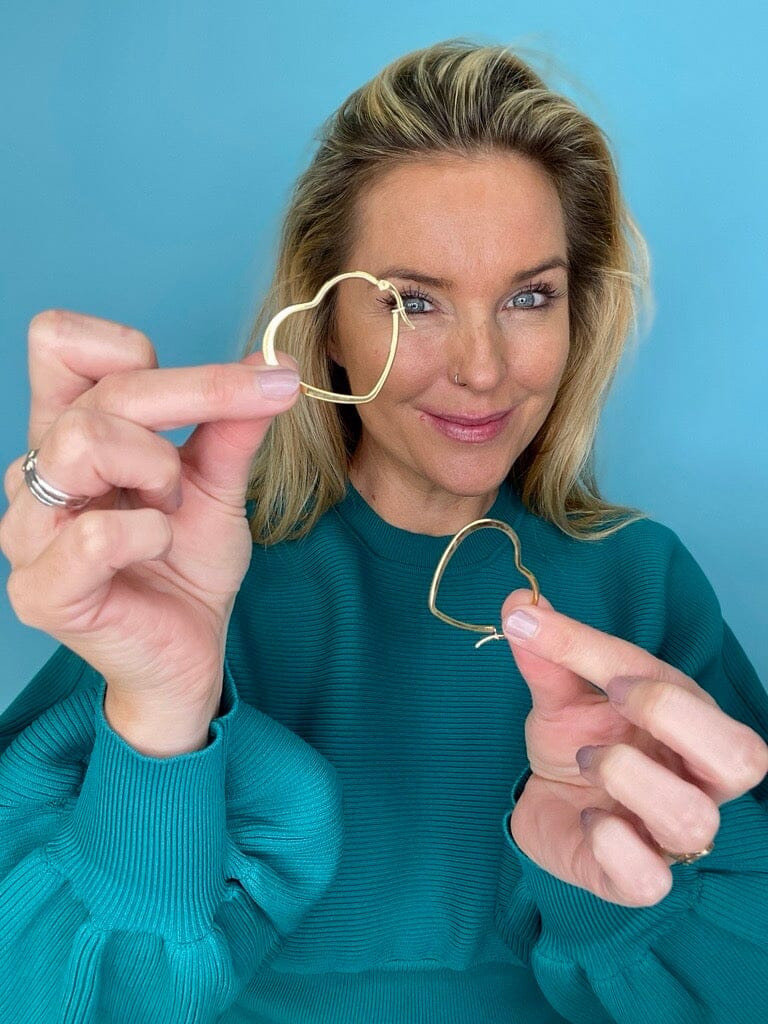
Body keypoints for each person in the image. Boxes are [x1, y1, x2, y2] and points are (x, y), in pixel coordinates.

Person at [1, 39, 766, 1024]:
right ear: (325, 323)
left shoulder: (642, 584)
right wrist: (161, 719)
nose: (482, 370)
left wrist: (630, 893)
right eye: (414, 302)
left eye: (529, 296)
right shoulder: (186, 576)